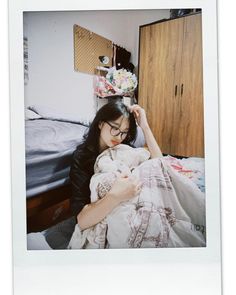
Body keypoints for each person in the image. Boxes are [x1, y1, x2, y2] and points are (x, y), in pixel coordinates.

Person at [69, 101, 162, 231]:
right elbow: (81, 220)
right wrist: (115, 196)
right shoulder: (82, 157)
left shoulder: (124, 149)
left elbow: (160, 166)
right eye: (115, 128)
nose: (119, 136)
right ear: (101, 123)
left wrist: (145, 127)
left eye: (124, 132)